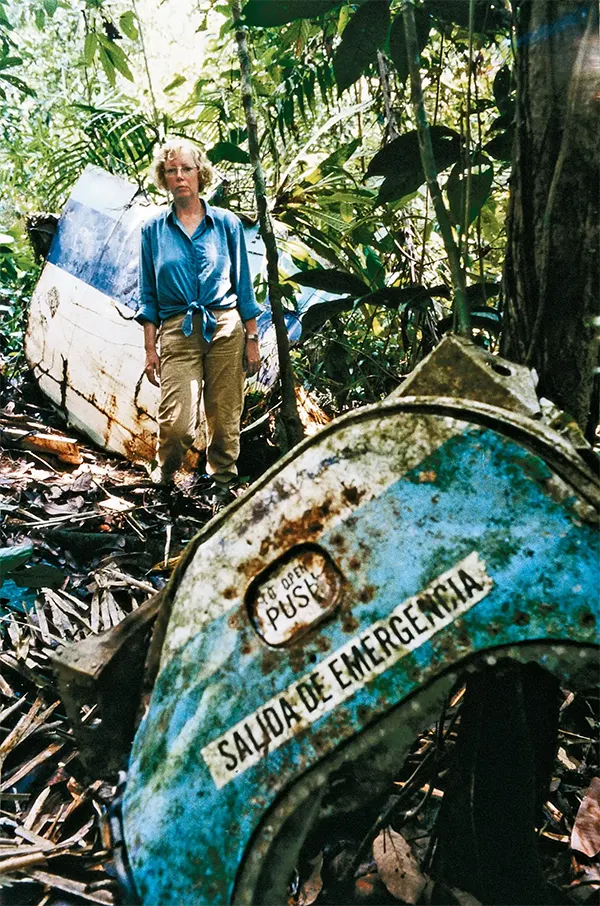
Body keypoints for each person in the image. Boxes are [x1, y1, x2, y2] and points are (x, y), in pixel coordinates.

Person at [136, 138, 262, 495]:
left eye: (186, 169)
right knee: (177, 424)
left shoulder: (226, 224)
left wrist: (252, 339)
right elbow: (148, 297)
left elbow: (244, 285)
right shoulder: (153, 230)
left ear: (200, 173)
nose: (179, 177)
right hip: (178, 330)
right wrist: (150, 349)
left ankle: (222, 484)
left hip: (225, 327)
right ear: (163, 177)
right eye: (171, 170)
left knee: (224, 419)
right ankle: (165, 474)